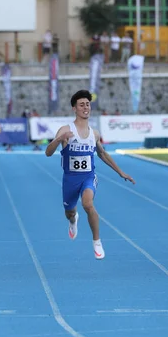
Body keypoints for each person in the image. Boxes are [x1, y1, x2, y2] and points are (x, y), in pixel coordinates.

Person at [45, 90, 135, 260]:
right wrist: (58, 140)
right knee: (69, 212)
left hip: (88, 177)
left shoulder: (94, 134)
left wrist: (121, 172)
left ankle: (97, 241)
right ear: (74, 108)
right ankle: (73, 220)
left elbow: (102, 154)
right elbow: (48, 153)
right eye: (81, 104)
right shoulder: (66, 130)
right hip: (70, 179)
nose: (85, 107)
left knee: (88, 204)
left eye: (87, 104)